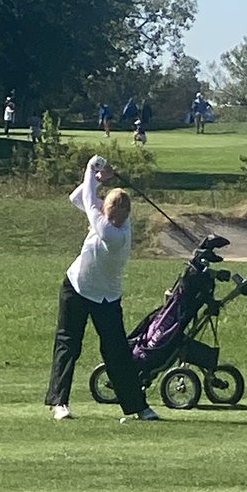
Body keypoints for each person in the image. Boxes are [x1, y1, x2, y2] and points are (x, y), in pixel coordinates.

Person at [45, 155, 160, 423]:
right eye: (109, 212)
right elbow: (78, 198)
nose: (112, 217)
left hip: (106, 297)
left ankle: (138, 407)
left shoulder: (113, 232)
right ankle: (59, 403)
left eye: (117, 216)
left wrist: (90, 167)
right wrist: (97, 180)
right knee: (69, 344)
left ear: (125, 216)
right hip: (77, 287)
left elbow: (85, 201)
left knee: (117, 351)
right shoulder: (105, 214)